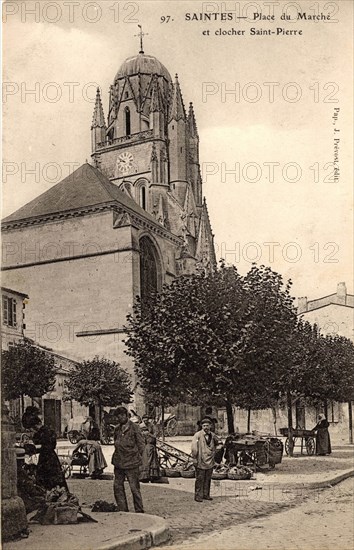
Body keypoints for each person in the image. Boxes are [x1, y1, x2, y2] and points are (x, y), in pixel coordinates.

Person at [111, 406, 145, 513]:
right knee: (117, 486)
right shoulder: (117, 429)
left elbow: (141, 445)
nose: (119, 418)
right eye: (117, 416)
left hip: (132, 463)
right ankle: (122, 508)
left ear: (126, 415)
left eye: (121, 415)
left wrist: (136, 458)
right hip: (119, 463)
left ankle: (139, 510)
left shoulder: (135, 428)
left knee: (134, 488)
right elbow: (116, 442)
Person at [30, 417, 68, 491]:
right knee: (55, 478)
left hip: (46, 457)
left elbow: (45, 445)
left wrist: (35, 447)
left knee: (45, 477)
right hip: (51, 456)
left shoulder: (42, 432)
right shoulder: (48, 431)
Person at [191, 418, 222, 502]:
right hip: (200, 460)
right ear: (201, 426)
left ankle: (206, 494)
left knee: (208, 479)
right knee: (200, 479)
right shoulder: (197, 435)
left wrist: (215, 451)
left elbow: (219, 443)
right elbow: (194, 448)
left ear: (210, 426)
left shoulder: (213, 435)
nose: (206, 427)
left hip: (210, 461)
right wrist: (194, 458)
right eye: (204, 426)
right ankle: (198, 496)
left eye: (207, 426)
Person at [139, 415, 161, 483]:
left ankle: (152, 476)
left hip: (150, 445)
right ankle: (145, 477)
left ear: (148, 420)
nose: (145, 421)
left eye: (146, 420)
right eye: (144, 420)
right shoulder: (140, 426)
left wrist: (149, 434)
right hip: (144, 446)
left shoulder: (152, 425)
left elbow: (156, 434)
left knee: (152, 461)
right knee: (145, 461)